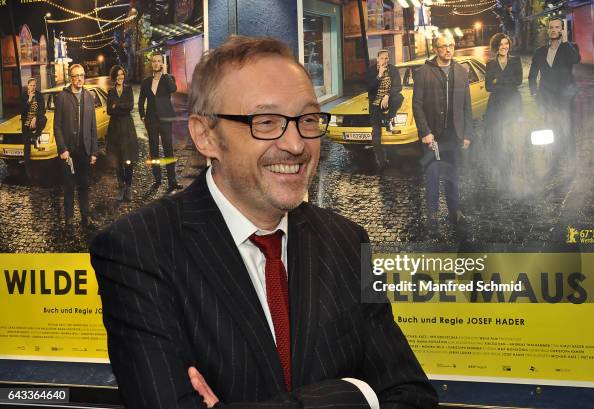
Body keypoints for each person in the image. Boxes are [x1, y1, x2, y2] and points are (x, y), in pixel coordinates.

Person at [91, 36, 437, 409]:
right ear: (206, 136)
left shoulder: (348, 242)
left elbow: (413, 396)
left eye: (307, 119)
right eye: (266, 122)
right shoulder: (138, 249)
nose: (296, 144)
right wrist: (355, 395)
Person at [412, 34, 473, 232]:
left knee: (453, 175)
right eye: (444, 46)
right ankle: (433, 213)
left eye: (451, 46)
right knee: (432, 175)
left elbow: (467, 106)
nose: (448, 49)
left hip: (454, 134)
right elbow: (417, 105)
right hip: (433, 135)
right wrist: (425, 132)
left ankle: (455, 211)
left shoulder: (462, 71)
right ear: (436, 49)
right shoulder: (423, 72)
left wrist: (467, 134)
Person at [528, 17, 580, 159]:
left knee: (566, 126)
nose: (553, 30)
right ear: (548, 30)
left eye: (557, 27)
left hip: (565, 97)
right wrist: (534, 94)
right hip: (546, 97)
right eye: (551, 27)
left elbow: (576, 59)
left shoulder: (571, 47)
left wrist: (565, 41)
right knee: (549, 126)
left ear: (562, 30)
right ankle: (553, 155)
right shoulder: (540, 51)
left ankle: (569, 156)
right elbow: (532, 76)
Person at [54, 64, 98, 228]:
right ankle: (69, 218)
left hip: (85, 150)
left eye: (82, 75)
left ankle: (85, 217)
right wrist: (62, 148)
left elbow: (93, 126)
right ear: (70, 78)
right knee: (69, 186)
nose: (79, 78)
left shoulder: (89, 96)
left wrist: (94, 152)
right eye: (76, 75)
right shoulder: (62, 97)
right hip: (68, 151)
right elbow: (57, 126)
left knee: (84, 185)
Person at [138, 52, 182, 193]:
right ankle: (157, 179)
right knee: (154, 150)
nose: (156, 63)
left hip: (165, 121)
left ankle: (172, 180)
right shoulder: (146, 82)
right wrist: (143, 116)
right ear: (151, 64)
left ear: (162, 63)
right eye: (154, 61)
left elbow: (173, 89)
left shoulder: (169, 78)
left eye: (159, 61)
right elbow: (140, 101)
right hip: (151, 121)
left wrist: (166, 73)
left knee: (168, 149)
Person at [484, 33, 523, 173]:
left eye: (506, 43)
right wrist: (506, 81)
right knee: (498, 135)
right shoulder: (490, 64)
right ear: (496, 46)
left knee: (512, 133)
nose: (504, 47)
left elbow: (518, 81)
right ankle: (501, 166)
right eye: (500, 44)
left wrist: (498, 80)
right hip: (496, 106)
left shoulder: (516, 60)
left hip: (513, 104)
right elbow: (489, 86)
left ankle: (514, 164)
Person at [366, 49, 404, 167]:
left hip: (389, 100)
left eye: (386, 58)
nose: (384, 60)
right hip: (375, 104)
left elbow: (398, 86)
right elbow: (369, 88)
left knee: (399, 98)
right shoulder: (371, 71)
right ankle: (381, 160)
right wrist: (379, 75)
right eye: (382, 58)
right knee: (376, 132)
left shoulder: (393, 69)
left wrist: (387, 95)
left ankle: (387, 118)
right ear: (377, 59)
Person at [107, 65, 138, 202]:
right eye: (118, 75)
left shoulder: (128, 90)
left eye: (122, 74)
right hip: (114, 129)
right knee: (118, 160)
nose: (120, 77)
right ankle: (121, 187)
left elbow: (130, 106)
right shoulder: (110, 92)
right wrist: (120, 107)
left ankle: (129, 187)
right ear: (114, 77)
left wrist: (117, 105)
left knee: (128, 159)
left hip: (127, 128)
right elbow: (109, 110)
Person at [20, 77, 46, 178]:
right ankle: (28, 169)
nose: (33, 87)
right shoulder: (23, 96)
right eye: (31, 85)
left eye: (34, 85)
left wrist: (35, 117)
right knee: (26, 147)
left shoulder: (39, 95)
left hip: (36, 120)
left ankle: (35, 136)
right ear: (28, 86)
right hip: (26, 122)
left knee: (44, 119)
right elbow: (22, 111)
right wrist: (29, 99)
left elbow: (42, 109)